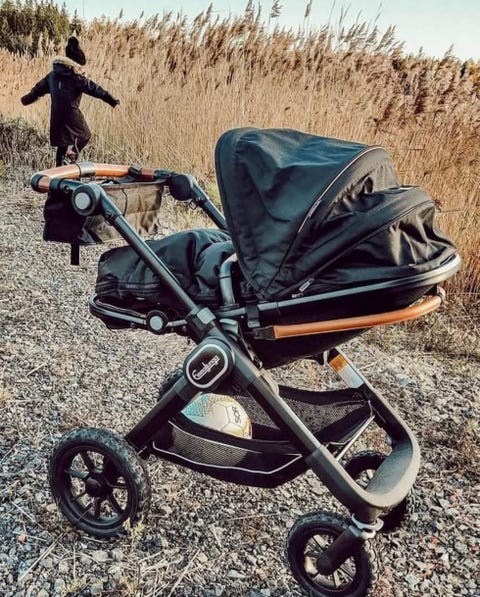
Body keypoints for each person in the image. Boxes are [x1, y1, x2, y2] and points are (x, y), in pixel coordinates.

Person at [21, 36, 119, 166]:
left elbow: (37, 89)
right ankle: (71, 155)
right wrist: (113, 102)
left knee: (62, 146)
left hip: (56, 116)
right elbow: (96, 90)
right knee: (85, 135)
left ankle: (58, 171)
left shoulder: (52, 76)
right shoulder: (77, 78)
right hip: (71, 114)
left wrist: (25, 100)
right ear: (76, 64)